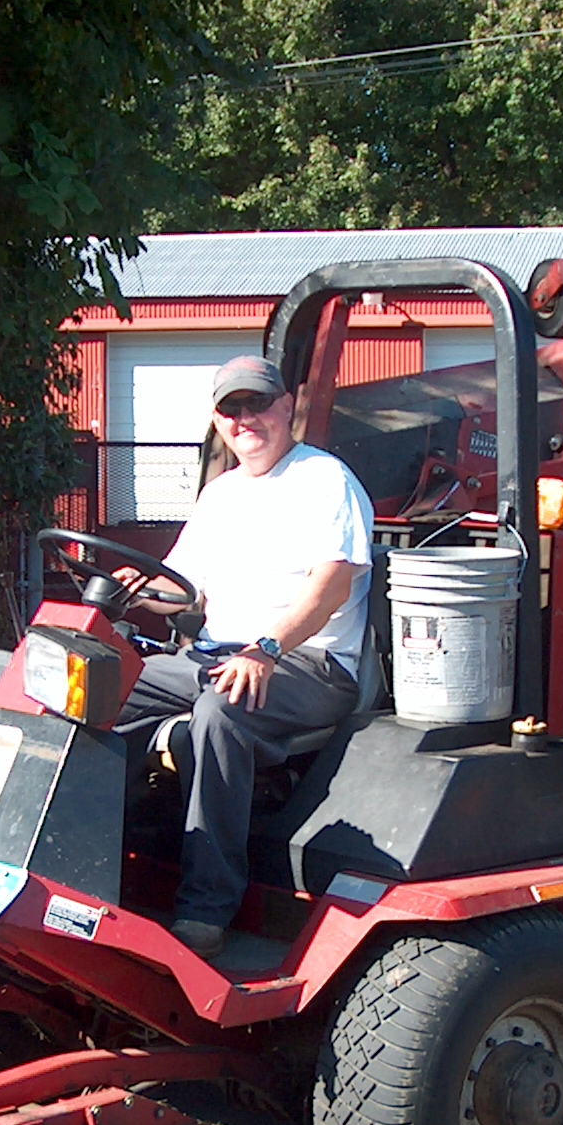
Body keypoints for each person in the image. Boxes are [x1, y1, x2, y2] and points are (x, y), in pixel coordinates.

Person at [112, 354, 374, 961]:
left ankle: (208, 908)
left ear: (287, 408)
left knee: (220, 713)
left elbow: (332, 584)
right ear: (217, 420)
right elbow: (182, 586)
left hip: (309, 665)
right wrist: (135, 587)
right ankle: (101, 862)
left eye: (257, 404)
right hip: (216, 655)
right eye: (231, 408)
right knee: (107, 687)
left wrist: (268, 648)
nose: (244, 418)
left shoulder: (325, 481)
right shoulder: (220, 495)